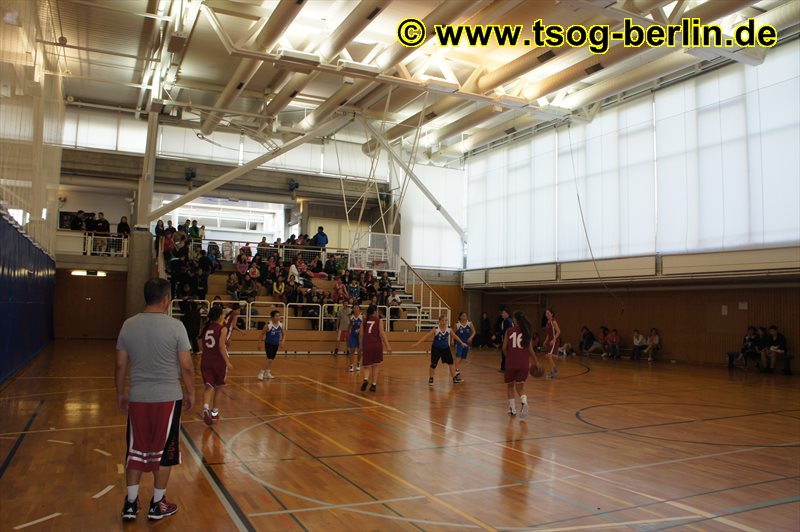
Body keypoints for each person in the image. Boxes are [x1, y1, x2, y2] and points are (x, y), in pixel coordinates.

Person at [115, 278, 194, 521]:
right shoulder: (176, 326)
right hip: (168, 399)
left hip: (138, 397)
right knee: (164, 452)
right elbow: (186, 366)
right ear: (166, 299)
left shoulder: (128, 325)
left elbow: (120, 365)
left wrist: (120, 392)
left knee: (136, 449)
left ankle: (131, 504)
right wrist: (191, 392)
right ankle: (158, 503)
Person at [502, 311, 541, 417]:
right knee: (520, 387)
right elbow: (531, 350)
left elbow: (504, 348)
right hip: (524, 364)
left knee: (510, 386)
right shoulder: (527, 332)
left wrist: (509, 356)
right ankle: (524, 403)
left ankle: (513, 409)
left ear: (515, 319)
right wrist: (536, 362)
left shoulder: (509, 331)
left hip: (511, 363)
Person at [200, 306, 232, 426]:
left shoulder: (206, 328)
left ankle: (205, 408)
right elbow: (221, 347)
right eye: (223, 314)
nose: (224, 316)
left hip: (205, 360)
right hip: (218, 362)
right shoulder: (222, 329)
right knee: (219, 387)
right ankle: (214, 412)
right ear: (219, 316)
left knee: (208, 387)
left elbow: (200, 344)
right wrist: (227, 362)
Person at [413, 315, 462, 386]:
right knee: (433, 364)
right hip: (436, 348)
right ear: (439, 321)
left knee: (451, 363)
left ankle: (454, 378)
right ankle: (431, 378)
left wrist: (462, 342)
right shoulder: (436, 329)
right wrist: (418, 343)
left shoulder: (449, 329)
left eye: (446, 320)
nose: (444, 322)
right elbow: (426, 336)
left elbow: (455, 336)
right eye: (443, 320)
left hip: (445, 348)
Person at [359, 304, 392, 392]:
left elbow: (361, 335)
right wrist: (388, 346)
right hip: (377, 345)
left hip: (367, 344)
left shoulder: (364, 321)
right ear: (375, 312)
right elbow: (382, 333)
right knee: (375, 365)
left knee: (366, 366)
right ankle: (373, 385)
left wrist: (361, 346)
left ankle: (366, 379)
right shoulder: (379, 321)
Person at [258, 310, 286, 380]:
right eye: (277, 316)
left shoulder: (281, 325)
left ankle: (267, 372)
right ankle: (261, 372)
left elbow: (284, 334)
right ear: (272, 317)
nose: (278, 317)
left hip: (276, 344)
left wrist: (282, 342)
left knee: (272, 359)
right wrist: (259, 343)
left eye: (279, 316)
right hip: (268, 344)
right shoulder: (268, 325)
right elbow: (261, 334)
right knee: (269, 359)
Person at [454, 312, 475, 380]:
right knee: (458, 355)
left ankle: (456, 367)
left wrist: (471, 337)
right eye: (463, 316)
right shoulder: (457, 324)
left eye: (465, 316)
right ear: (460, 317)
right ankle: (456, 369)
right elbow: (453, 333)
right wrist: (452, 340)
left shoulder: (469, 323)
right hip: (459, 342)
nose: (464, 317)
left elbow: (474, 332)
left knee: (462, 357)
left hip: (466, 343)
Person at [543, 308, 561, 379]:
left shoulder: (553, 322)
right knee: (548, 356)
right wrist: (545, 341)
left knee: (549, 356)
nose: (546, 314)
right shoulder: (547, 322)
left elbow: (558, 331)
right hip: (549, 341)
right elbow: (548, 334)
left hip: (554, 341)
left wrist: (554, 340)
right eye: (546, 313)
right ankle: (554, 369)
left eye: (548, 313)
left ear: (552, 314)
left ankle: (553, 372)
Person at [348, 304, 363, 372]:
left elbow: (364, 325)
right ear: (353, 309)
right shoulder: (351, 317)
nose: (356, 309)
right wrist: (348, 332)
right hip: (353, 335)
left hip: (360, 335)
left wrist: (360, 329)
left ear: (359, 309)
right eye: (354, 308)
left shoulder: (362, 316)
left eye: (357, 308)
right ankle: (351, 365)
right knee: (352, 350)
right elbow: (350, 325)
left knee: (359, 350)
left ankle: (358, 363)